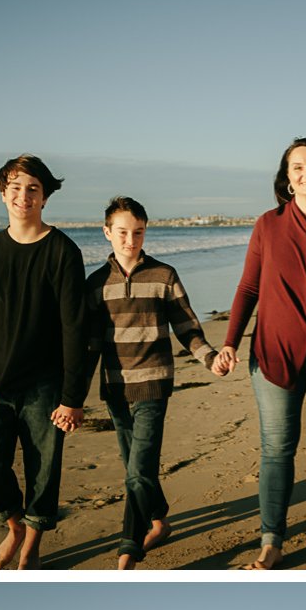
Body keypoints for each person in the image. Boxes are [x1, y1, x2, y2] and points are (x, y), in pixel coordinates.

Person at [213, 139, 306, 569]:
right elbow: (248, 288)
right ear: (286, 177)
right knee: (277, 444)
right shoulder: (268, 224)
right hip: (275, 348)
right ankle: (272, 539)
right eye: (297, 167)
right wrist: (229, 341)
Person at [0, 153, 88, 570]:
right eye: (15, 187)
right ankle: (13, 524)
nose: (23, 195)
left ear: (45, 197)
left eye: (33, 188)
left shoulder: (63, 251)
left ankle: (33, 538)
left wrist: (72, 397)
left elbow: (75, 329)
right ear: (3, 194)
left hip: (45, 383)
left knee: (43, 468)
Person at [86, 196, 222, 570]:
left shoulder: (164, 275)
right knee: (135, 464)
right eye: (123, 232)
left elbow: (186, 326)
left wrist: (209, 358)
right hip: (115, 388)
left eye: (139, 232)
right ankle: (160, 521)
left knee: (138, 471)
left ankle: (129, 548)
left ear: (146, 232)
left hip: (155, 384)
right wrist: (72, 397)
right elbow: (90, 345)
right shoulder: (95, 284)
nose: (131, 240)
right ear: (107, 233)